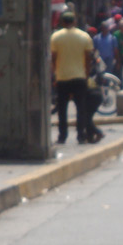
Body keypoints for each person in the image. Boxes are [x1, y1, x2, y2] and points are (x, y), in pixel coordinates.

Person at [50, 10, 100, 144]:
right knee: (81, 109)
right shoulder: (84, 36)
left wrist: (55, 75)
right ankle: (80, 135)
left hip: (62, 78)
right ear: (74, 22)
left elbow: (53, 59)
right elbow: (88, 59)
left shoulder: (55, 37)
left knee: (62, 110)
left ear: (62, 22)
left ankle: (62, 136)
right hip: (79, 77)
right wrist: (86, 75)